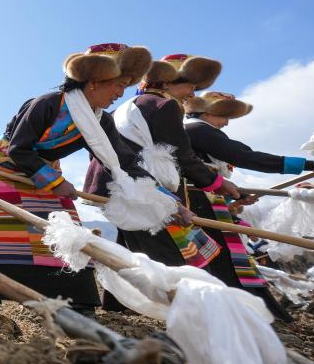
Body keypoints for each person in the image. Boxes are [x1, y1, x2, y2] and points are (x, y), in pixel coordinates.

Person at [0, 43, 174, 315]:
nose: (120, 94)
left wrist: (167, 200)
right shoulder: (48, 104)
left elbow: (125, 161)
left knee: (66, 232)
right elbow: (19, 148)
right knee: (3, 233)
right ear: (94, 82)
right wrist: (55, 183)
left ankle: (77, 302)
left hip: (46, 173)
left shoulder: (101, 121)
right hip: (5, 168)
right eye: (118, 85)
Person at [84, 53, 237, 310]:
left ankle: (117, 306)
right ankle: (193, 311)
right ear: (167, 82)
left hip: (114, 186)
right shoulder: (164, 106)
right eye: (190, 86)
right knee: (173, 256)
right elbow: (182, 154)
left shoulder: (122, 108)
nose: (192, 94)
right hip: (145, 189)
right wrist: (215, 182)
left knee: (134, 246)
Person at [183, 91, 314, 320]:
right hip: (196, 201)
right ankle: (244, 312)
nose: (227, 123)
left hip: (206, 200)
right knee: (224, 258)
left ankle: (252, 311)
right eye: (224, 116)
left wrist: (236, 196)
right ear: (207, 112)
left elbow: (232, 159)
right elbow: (247, 158)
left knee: (229, 258)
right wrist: (308, 164)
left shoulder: (199, 131)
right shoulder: (197, 129)